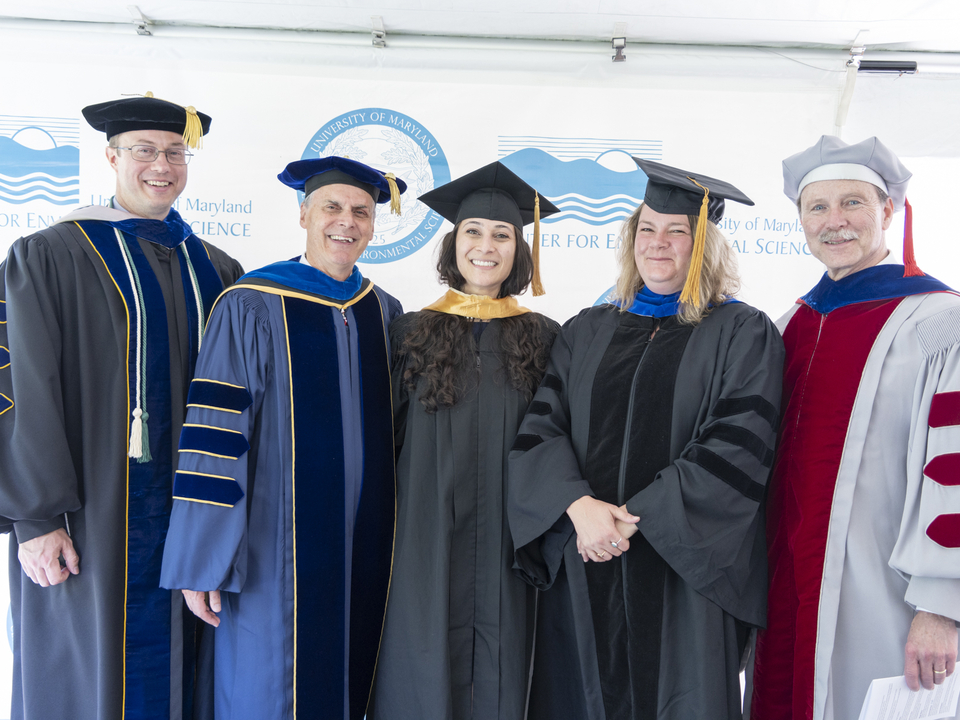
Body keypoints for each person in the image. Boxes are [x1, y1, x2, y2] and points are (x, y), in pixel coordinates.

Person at [507, 159, 784, 719]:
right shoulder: (588, 328)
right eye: (647, 229)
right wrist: (579, 508)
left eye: (677, 231)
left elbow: (738, 439)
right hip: (587, 558)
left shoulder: (741, 332)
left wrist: (633, 518)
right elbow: (542, 426)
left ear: (703, 245)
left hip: (682, 572)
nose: (659, 244)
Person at [0, 93, 243, 720]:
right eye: (144, 150)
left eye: (174, 152)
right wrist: (36, 518)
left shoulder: (216, 270)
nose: (161, 164)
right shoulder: (50, 256)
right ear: (111, 157)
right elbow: (23, 386)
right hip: (89, 521)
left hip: (193, 528)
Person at [159, 156, 407, 720]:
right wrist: (204, 562)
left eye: (361, 212)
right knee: (267, 690)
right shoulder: (251, 304)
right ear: (303, 215)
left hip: (362, 551)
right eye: (332, 207)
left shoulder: (383, 312)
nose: (347, 222)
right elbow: (216, 435)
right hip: (273, 551)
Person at [748, 136, 960, 720]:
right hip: (785, 586)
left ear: (888, 210)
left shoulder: (939, 322)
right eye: (817, 207)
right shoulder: (791, 322)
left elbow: (954, 465)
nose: (834, 222)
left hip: (886, 596)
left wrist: (942, 604)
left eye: (853, 203)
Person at [369, 162, 561, 720]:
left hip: (511, 533)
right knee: (421, 654)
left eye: (502, 234)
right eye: (473, 232)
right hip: (424, 532)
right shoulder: (409, 331)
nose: (486, 246)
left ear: (519, 250)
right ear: (453, 244)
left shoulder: (545, 338)